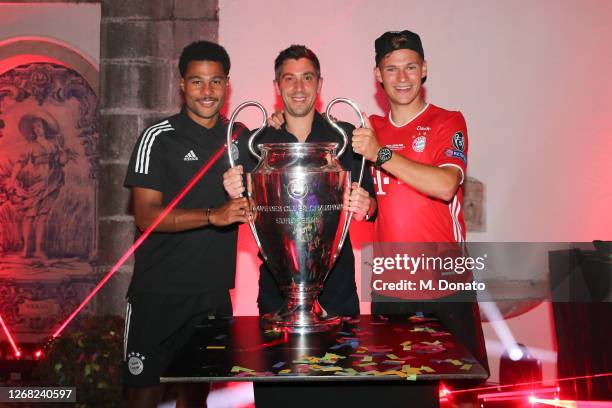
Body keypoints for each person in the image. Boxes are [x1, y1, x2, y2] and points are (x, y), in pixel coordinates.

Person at [351, 30, 489, 407]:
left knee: (464, 396)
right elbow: (383, 200)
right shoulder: (370, 129)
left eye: (410, 67)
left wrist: (381, 154)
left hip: (446, 287)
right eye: (391, 69)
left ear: (424, 69)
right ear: (377, 75)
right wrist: (368, 205)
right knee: (400, 398)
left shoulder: (448, 121)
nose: (402, 77)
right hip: (391, 290)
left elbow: (445, 186)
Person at [122, 41, 250, 408]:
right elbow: (146, 215)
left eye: (215, 82)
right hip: (158, 294)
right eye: (197, 82)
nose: (207, 92)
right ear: (182, 84)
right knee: (142, 397)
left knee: (196, 398)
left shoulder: (239, 138)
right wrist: (215, 215)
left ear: (227, 84)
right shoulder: (157, 138)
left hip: (212, 295)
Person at [223, 44, 377, 319]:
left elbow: (374, 208)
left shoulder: (345, 137)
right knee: (276, 363)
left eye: (307, 77)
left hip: (337, 292)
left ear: (319, 83)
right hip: (276, 293)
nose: (299, 87)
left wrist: (367, 207)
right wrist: (233, 192)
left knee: (342, 362)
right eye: (289, 78)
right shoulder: (257, 144)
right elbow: (239, 212)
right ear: (276, 85)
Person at [9, 113, 76, 258]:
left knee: (43, 216)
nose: (38, 129)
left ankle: (39, 250)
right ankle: (27, 249)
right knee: (30, 216)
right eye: (34, 128)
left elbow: (62, 161)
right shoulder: (31, 146)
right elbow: (20, 163)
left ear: (44, 127)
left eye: (39, 126)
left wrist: (64, 154)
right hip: (35, 183)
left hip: (53, 181)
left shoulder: (54, 144)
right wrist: (12, 179)